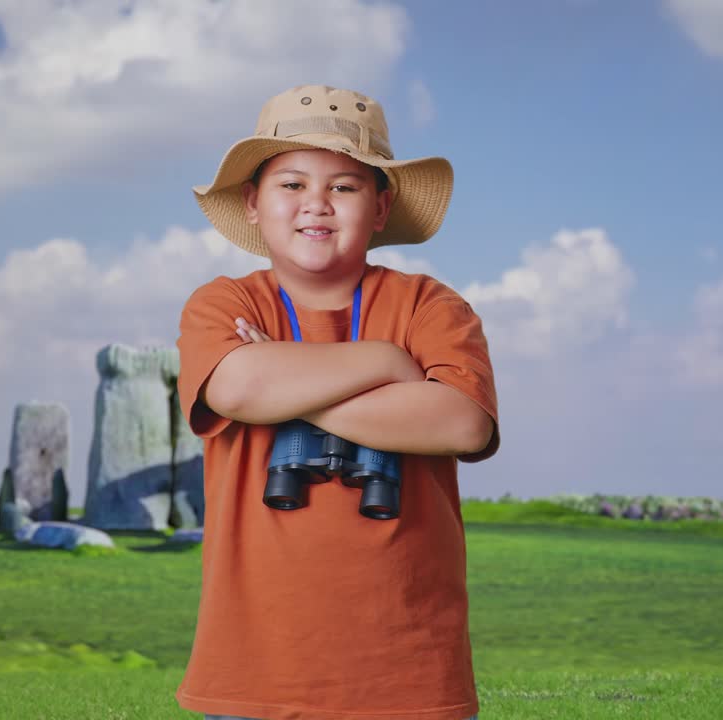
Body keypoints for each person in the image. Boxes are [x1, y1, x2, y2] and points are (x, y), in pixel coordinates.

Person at [174, 85, 499, 720]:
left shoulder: (430, 306)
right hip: (253, 670)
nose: (316, 205)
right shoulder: (224, 304)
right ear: (253, 203)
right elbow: (236, 388)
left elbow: (461, 422)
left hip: (407, 672)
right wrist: (385, 364)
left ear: (380, 208)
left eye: (345, 188)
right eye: (291, 184)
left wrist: (286, 388)